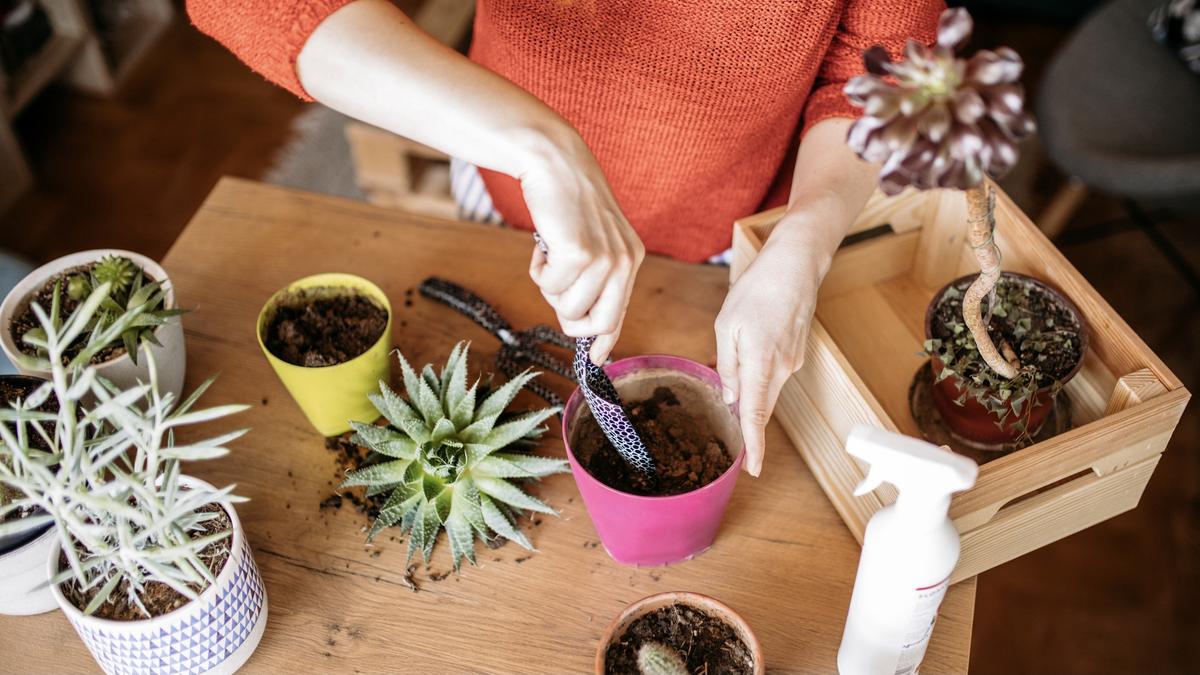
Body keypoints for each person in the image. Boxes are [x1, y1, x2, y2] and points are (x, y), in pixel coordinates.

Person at [188, 0, 942, 477]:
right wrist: (542, 146)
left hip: (739, 245)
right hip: (504, 196)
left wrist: (805, 242)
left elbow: (877, 72)